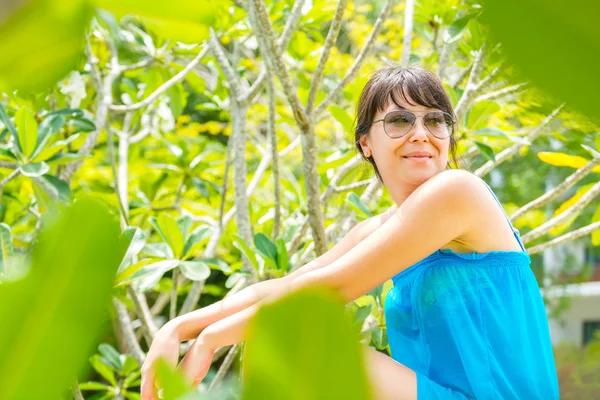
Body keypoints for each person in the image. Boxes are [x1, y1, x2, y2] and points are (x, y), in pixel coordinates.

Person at [141, 66, 559, 400]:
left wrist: (212, 338)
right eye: (399, 120)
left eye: (436, 120)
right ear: (365, 143)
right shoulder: (382, 228)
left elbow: (333, 287)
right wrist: (178, 327)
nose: (421, 133)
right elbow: (292, 285)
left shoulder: (457, 191)